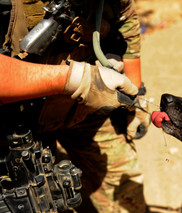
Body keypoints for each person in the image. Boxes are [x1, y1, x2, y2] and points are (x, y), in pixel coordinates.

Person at [0, 0, 150, 212]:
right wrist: (75, 79)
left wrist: (136, 94)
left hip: (88, 107)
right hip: (15, 129)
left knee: (124, 192)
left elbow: (124, 15)